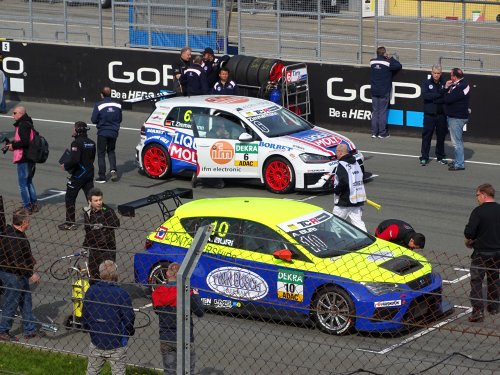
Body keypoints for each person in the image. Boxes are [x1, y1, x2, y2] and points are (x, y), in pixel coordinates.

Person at [82, 260, 135, 375]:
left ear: (100, 274)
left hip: (96, 338)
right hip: (117, 342)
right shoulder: (121, 293)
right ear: (116, 275)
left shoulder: (92, 290)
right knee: (118, 372)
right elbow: (128, 317)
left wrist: (88, 328)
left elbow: (85, 313)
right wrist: (129, 331)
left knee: (92, 371)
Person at [0, 208, 45, 341]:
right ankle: (3, 330)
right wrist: (31, 274)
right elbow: (16, 261)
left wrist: (29, 258)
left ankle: (29, 329)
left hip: (17, 273)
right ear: (24, 222)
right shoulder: (16, 238)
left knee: (26, 300)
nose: (29, 223)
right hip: (13, 275)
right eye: (28, 221)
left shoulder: (9, 231)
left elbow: (19, 256)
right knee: (11, 302)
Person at [152, 262, 204, 375]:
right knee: (187, 371)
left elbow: (157, 311)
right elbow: (199, 312)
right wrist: (195, 295)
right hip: (185, 337)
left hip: (166, 336)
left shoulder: (157, 292)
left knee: (169, 371)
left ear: (167, 273)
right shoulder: (187, 293)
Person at [464, 183, 500, 323]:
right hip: (497, 252)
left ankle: (478, 311)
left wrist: (472, 239)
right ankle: (494, 306)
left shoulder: (478, 212)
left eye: (477, 195)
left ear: (484, 195)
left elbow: (469, 232)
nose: (477, 198)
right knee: (494, 278)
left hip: (481, 253)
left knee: (477, 281)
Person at [58, 121, 96, 231]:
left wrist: (65, 165)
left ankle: (70, 223)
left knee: (70, 197)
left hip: (78, 175)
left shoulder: (76, 143)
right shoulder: (92, 143)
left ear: (78, 130)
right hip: (89, 174)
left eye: (74, 128)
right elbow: (92, 158)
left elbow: (75, 159)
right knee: (91, 199)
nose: (72, 130)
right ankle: (95, 221)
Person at [83, 188, 120, 283]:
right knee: (93, 276)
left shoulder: (108, 210)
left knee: (108, 276)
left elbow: (116, 223)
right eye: (96, 200)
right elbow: (88, 232)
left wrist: (103, 226)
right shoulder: (87, 213)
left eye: (100, 200)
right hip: (94, 249)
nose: (99, 202)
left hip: (107, 249)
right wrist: (84, 247)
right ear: (89, 201)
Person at [6, 106, 39, 213]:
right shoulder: (28, 123)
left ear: (20, 113)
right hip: (30, 157)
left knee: (22, 184)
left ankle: (26, 207)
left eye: (14, 113)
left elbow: (24, 142)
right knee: (28, 181)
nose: (13, 115)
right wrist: (13, 144)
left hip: (24, 158)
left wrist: (13, 146)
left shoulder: (23, 125)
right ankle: (33, 204)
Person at [91, 86, 122, 183]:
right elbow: (120, 119)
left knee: (101, 153)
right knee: (111, 151)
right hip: (114, 132)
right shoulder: (118, 105)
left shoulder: (98, 105)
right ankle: (113, 170)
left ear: (102, 95)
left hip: (103, 132)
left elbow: (93, 119)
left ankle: (102, 176)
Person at [332, 143, 367, 231]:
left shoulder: (342, 164)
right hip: (357, 198)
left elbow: (344, 181)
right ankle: (366, 238)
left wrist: (336, 190)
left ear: (340, 153)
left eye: (336, 153)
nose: (336, 155)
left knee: (335, 222)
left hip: (345, 200)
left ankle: (334, 240)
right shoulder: (356, 162)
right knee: (358, 223)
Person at [369, 46, 402, 139]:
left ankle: (374, 132)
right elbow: (399, 65)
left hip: (374, 90)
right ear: (384, 54)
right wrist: (390, 58)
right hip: (384, 91)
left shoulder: (372, 61)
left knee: (375, 111)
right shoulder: (387, 62)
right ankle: (382, 133)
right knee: (382, 112)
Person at [420, 64, 447, 166]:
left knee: (441, 137)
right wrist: (439, 94)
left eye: (438, 73)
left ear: (441, 73)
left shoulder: (444, 83)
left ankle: (440, 156)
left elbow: (445, 96)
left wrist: (435, 96)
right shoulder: (426, 82)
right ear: (432, 73)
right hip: (429, 115)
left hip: (441, 115)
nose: (436, 75)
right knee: (426, 136)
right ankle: (424, 157)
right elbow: (425, 95)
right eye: (434, 73)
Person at [444, 67, 470, 171]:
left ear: (454, 77)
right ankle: (457, 160)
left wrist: (446, 88)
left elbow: (447, 99)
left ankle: (459, 164)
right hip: (459, 116)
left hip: (457, 118)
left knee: (456, 142)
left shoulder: (459, 87)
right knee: (457, 141)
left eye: (451, 75)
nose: (450, 77)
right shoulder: (463, 84)